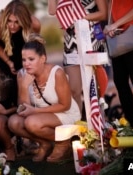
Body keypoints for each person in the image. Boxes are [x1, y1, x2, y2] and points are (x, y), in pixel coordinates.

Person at [8, 33, 81, 163]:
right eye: (24, 60)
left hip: (64, 112)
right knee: (13, 122)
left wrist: (34, 111)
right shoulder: (22, 74)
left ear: (43, 58)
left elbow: (66, 105)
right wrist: (24, 86)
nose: (26, 64)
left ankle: (63, 143)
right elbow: (22, 109)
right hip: (38, 116)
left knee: (31, 122)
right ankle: (45, 143)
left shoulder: (57, 73)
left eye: (31, 59)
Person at [47, 0, 108, 117]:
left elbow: (103, 13)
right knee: (74, 90)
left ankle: (100, 125)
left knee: (95, 88)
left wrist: (79, 17)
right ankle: (79, 126)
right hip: (71, 40)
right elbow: (52, 11)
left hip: (91, 37)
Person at [103, 0, 133, 127]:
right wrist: (110, 25)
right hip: (118, 36)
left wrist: (115, 24)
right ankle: (131, 124)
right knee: (120, 82)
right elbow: (111, 4)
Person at [0, 0, 41, 79]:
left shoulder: (34, 24)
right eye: (9, 21)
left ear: (23, 20)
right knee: (6, 83)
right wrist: (8, 62)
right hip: (2, 51)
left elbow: (35, 45)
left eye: (17, 22)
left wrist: (29, 63)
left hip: (23, 49)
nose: (12, 26)